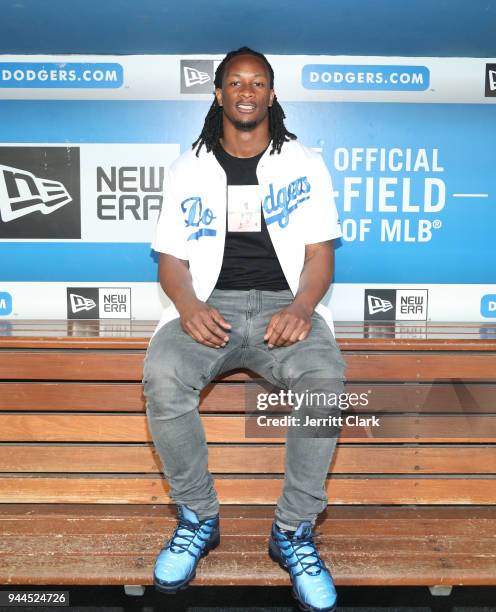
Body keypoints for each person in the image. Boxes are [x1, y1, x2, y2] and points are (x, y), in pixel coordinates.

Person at [142, 46, 346, 612]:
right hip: (211, 303)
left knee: (326, 384)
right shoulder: (189, 168)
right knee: (163, 374)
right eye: (236, 82)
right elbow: (170, 261)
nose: (247, 91)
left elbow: (319, 257)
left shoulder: (304, 164)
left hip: (287, 302)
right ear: (219, 94)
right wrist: (186, 306)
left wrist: (303, 307)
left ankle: (293, 530)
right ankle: (198, 516)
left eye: (258, 82)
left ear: (272, 94)